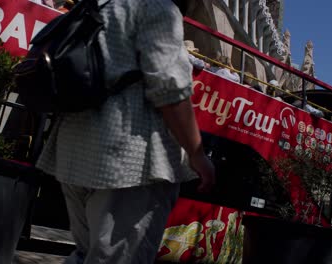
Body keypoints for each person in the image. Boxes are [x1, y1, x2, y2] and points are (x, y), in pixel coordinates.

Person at [36, 1, 215, 263]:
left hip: (74, 148)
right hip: (130, 161)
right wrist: (197, 153)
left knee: (85, 254)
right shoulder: (157, 8)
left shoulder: (102, 3)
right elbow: (170, 89)